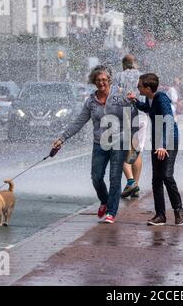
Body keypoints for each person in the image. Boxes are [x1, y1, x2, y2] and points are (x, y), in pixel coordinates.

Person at [52, 65, 135, 224]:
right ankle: (104, 201)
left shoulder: (119, 95)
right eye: (98, 80)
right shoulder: (91, 101)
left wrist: (131, 103)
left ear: (109, 80)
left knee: (114, 177)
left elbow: (132, 114)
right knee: (96, 177)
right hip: (100, 144)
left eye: (104, 80)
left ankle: (111, 212)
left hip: (119, 142)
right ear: (94, 82)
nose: (101, 83)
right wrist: (62, 138)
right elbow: (79, 122)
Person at [128, 73, 183, 226]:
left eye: (139, 86)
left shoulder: (161, 98)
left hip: (169, 141)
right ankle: (160, 215)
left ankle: (178, 210)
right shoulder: (149, 98)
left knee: (167, 176)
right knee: (156, 179)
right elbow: (147, 108)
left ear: (147, 88)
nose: (137, 87)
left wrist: (163, 145)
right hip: (158, 142)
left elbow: (168, 119)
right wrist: (135, 101)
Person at [114, 54, 147, 200]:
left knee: (122, 149)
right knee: (136, 151)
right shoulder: (143, 76)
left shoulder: (119, 76)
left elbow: (114, 96)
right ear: (135, 64)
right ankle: (135, 186)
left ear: (123, 64)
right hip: (141, 116)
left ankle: (131, 182)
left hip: (125, 115)